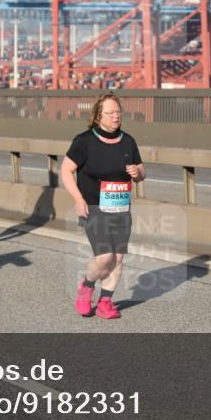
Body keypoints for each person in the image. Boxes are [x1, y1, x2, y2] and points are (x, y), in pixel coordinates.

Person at [61, 92, 145, 320]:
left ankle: (105, 302)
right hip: (94, 207)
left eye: (118, 112)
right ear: (98, 117)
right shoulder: (84, 141)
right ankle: (86, 286)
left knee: (117, 258)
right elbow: (66, 171)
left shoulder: (128, 140)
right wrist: (78, 199)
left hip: (121, 208)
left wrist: (137, 173)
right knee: (104, 258)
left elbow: (141, 171)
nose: (116, 116)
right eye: (110, 113)